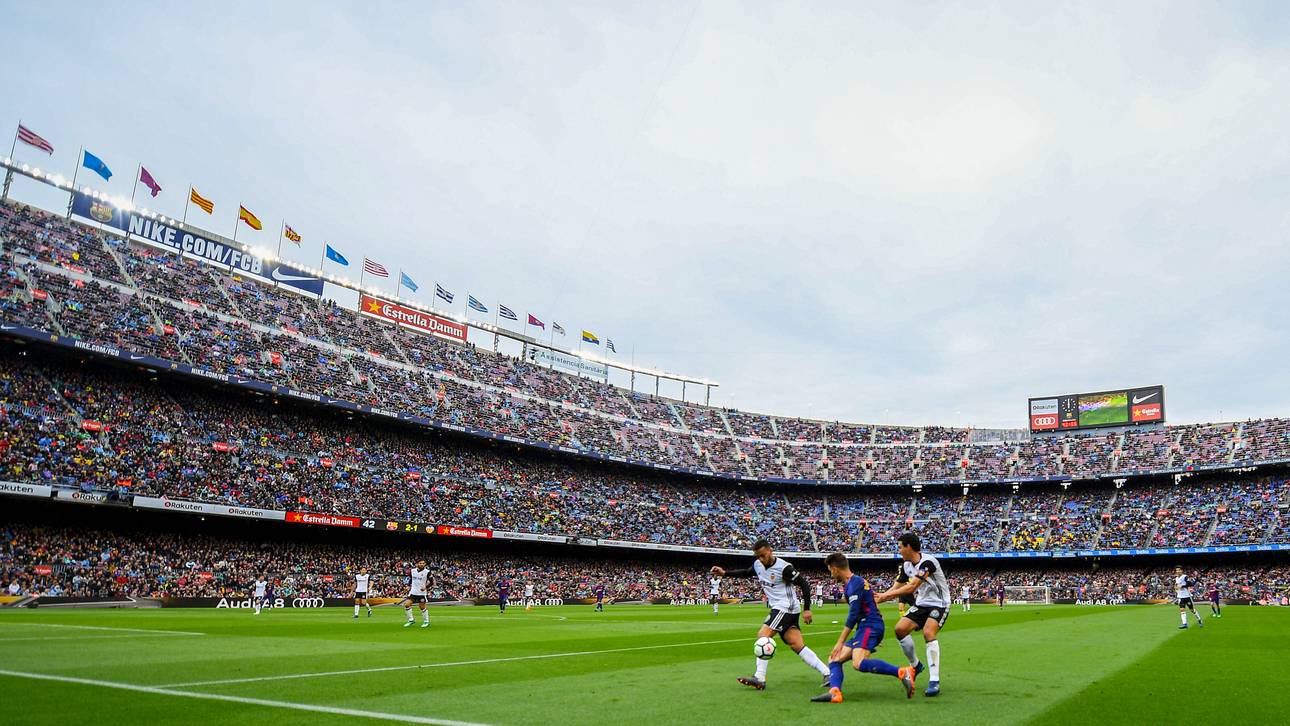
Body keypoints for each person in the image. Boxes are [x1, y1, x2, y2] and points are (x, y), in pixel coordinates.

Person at [710, 538, 831, 690]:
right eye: (757, 556)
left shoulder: (785, 568)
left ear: (770, 551)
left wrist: (807, 608)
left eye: (762, 555)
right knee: (796, 645)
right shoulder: (758, 565)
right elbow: (746, 573)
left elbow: (804, 585)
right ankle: (827, 672)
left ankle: (759, 677)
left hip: (786, 607)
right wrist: (724, 573)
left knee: (763, 635)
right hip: (781, 609)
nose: (761, 559)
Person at [811, 553, 915, 703]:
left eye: (830, 570)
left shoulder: (855, 584)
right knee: (834, 659)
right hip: (868, 627)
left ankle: (902, 672)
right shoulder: (853, 584)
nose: (831, 574)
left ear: (835, 569)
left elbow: (853, 616)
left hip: (869, 626)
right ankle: (835, 692)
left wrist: (840, 642)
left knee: (858, 663)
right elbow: (872, 602)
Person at [875, 533, 951, 697]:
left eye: (901, 546)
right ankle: (916, 665)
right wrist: (878, 599)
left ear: (909, 547)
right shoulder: (906, 565)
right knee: (900, 629)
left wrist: (885, 596)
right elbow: (896, 587)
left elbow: (912, 587)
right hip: (922, 604)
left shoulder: (927, 563)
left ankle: (934, 681)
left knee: (928, 632)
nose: (899, 550)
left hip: (940, 604)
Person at [400, 560, 433, 628]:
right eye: (420, 563)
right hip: (413, 592)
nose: (422, 564)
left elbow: (432, 582)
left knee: (422, 607)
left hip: (421, 593)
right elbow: (411, 579)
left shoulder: (427, 572)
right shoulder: (412, 571)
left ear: (425, 564)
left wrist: (426, 587)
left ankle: (426, 621)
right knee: (407, 604)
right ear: (417, 564)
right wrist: (408, 586)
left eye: (423, 563)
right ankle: (411, 620)